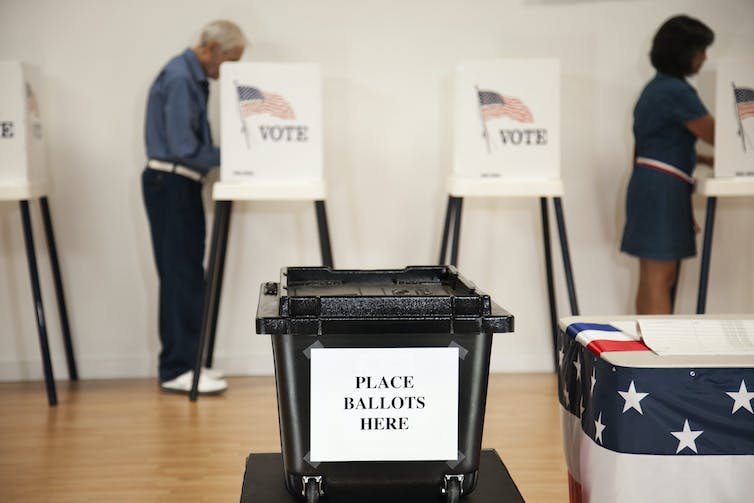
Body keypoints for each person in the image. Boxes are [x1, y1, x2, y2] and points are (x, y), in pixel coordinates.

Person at [142, 20, 246, 394]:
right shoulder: (182, 79)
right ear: (213, 48)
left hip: (179, 184)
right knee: (180, 276)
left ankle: (190, 362)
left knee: (187, 274)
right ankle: (176, 368)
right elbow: (185, 147)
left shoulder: (190, 76)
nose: (228, 69)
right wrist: (239, 151)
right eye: (230, 59)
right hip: (171, 182)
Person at [620, 15, 715, 315]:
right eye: (700, 49)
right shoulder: (677, 91)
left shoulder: (657, 88)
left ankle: (647, 350)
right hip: (662, 191)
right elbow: (717, 134)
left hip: (654, 186)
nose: (704, 57)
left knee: (655, 276)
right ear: (684, 52)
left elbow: (662, 143)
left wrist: (701, 159)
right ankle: (655, 356)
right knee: (659, 278)